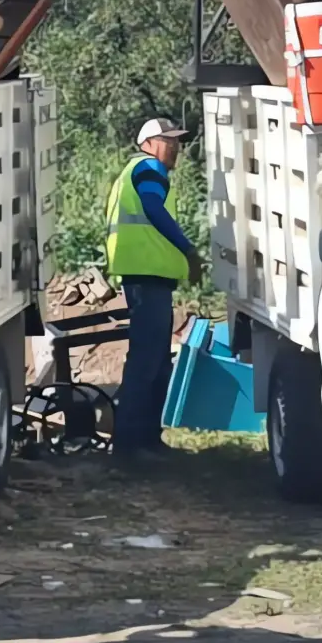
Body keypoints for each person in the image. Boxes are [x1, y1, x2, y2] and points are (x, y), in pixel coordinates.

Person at [103, 117, 202, 461]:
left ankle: (146, 440)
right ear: (148, 143)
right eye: (167, 140)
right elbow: (152, 206)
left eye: (176, 141)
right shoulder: (148, 168)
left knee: (155, 362)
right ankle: (131, 446)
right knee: (147, 361)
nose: (175, 147)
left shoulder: (138, 171)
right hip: (145, 278)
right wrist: (188, 249)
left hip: (148, 277)